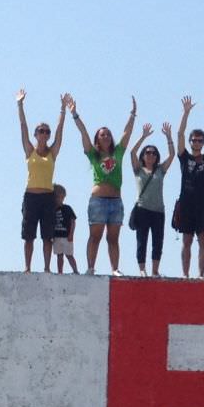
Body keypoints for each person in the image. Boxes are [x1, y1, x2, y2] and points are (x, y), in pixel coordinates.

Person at [70, 93, 138, 275]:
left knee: (113, 238)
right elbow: (83, 133)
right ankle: (91, 267)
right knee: (95, 236)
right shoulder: (94, 154)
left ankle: (115, 268)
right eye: (102, 134)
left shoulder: (118, 153)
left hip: (116, 201)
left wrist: (133, 115)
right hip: (98, 200)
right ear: (97, 139)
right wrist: (75, 115)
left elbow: (127, 133)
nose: (106, 136)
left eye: (108, 134)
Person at [17, 91, 68, 273]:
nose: (44, 133)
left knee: (47, 236)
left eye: (47, 131)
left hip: (48, 197)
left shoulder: (52, 153)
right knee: (28, 236)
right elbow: (23, 127)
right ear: (36, 134)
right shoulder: (30, 150)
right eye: (41, 131)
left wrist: (63, 110)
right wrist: (20, 105)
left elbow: (60, 133)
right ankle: (28, 267)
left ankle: (47, 268)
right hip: (31, 196)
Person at [171, 97, 204, 278]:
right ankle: (185, 274)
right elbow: (179, 134)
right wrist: (186, 112)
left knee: (203, 241)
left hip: (203, 204)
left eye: (200, 140)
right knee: (186, 240)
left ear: (203, 143)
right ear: (190, 142)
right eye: (194, 140)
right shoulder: (184, 157)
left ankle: (201, 275)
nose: (197, 143)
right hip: (186, 204)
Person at [131, 120, 176, 276]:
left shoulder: (160, 170)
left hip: (158, 211)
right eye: (147, 152)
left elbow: (172, 155)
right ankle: (142, 269)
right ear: (143, 155)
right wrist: (143, 136)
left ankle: (155, 270)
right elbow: (132, 152)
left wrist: (169, 137)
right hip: (142, 209)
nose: (151, 155)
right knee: (141, 240)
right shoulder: (138, 169)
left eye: (154, 153)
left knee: (158, 242)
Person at [46, 185, 79, 273]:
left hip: (66, 236)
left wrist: (71, 234)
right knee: (59, 255)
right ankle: (60, 272)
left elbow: (73, 221)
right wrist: (51, 236)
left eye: (62, 197)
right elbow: (50, 224)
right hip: (56, 236)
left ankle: (75, 270)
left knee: (69, 255)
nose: (60, 200)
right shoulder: (51, 210)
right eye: (58, 197)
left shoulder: (67, 208)